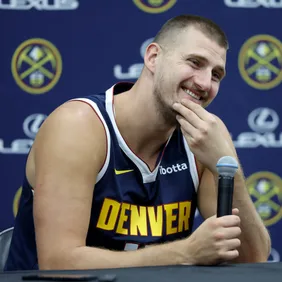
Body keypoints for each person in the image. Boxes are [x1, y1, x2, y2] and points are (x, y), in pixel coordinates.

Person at [5, 14, 270, 271]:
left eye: (216, 75)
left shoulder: (204, 136)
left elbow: (251, 258)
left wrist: (229, 170)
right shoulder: (78, 126)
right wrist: (185, 253)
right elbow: (59, 263)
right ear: (153, 57)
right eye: (194, 62)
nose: (204, 83)